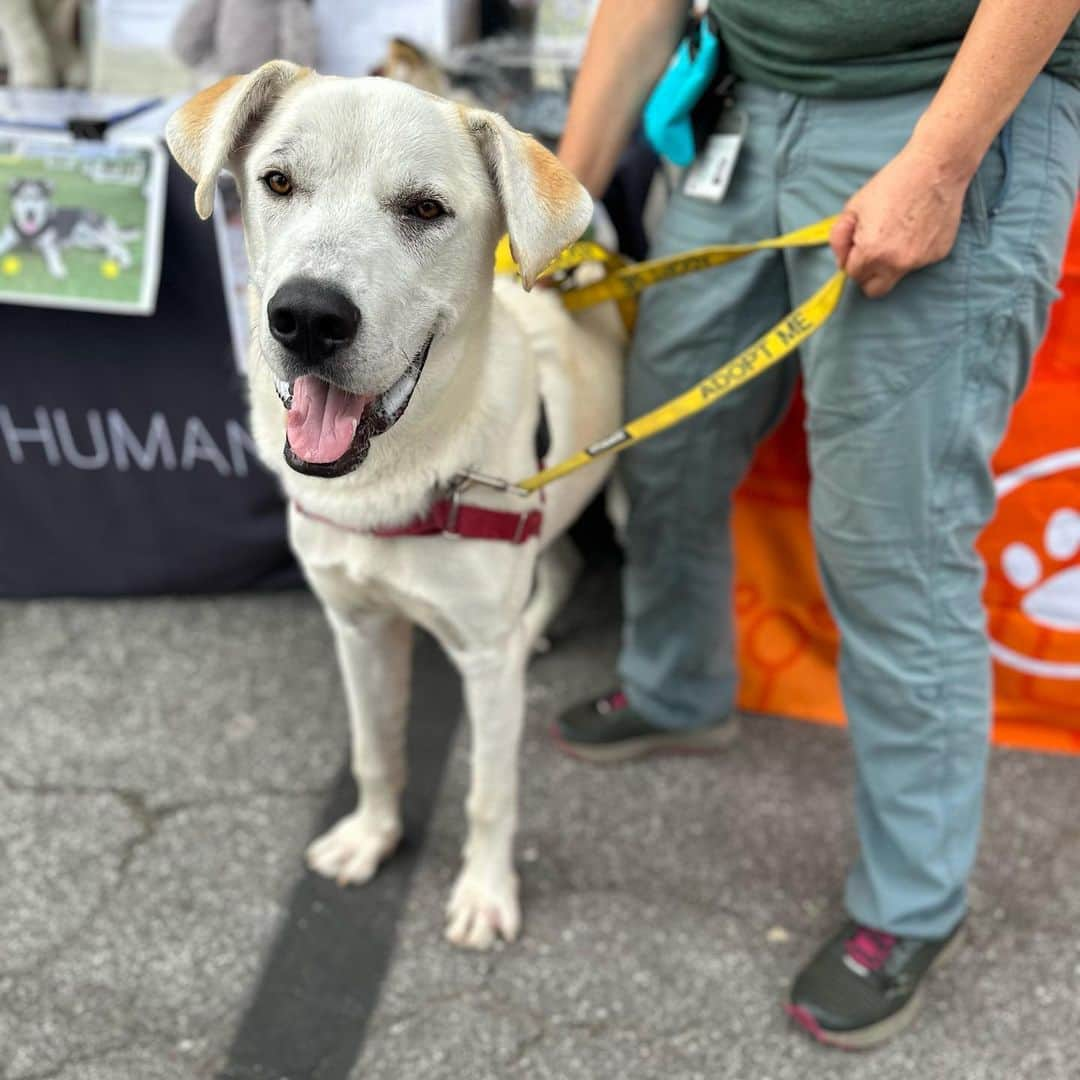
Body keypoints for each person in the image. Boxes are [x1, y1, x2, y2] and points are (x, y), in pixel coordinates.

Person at [554, 0, 1080, 1049]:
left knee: (897, 542)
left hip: (943, 108)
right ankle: (676, 688)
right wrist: (560, 200)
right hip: (745, 106)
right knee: (666, 439)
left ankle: (913, 905)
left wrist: (937, 168)